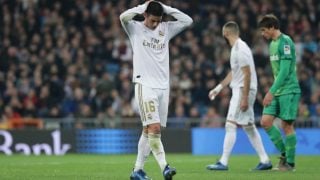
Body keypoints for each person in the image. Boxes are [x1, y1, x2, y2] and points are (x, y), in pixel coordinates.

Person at [119, 1, 193, 179]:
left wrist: (164, 8)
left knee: (148, 130)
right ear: (145, 15)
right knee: (153, 128)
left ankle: (137, 171)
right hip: (145, 85)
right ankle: (165, 167)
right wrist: (143, 6)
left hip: (163, 87)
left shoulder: (165, 29)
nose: (155, 24)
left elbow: (188, 20)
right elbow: (123, 16)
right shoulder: (134, 28)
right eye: (152, 20)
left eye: (158, 21)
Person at [206, 21, 272, 171]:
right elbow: (234, 72)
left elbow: (247, 74)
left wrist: (244, 98)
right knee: (249, 126)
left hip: (243, 90)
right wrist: (218, 88)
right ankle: (265, 160)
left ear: (226, 33)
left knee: (230, 124)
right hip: (243, 89)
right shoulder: (238, 48)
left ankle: (223, 162)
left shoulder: (240, 50)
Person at [258, 14, 301, 171]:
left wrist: (270, 91)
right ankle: (284, 155)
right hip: (277, 90)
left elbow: (284, 71)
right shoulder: (272, 45)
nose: (263, 34)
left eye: (264, 30)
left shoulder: (286, 42)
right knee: (265, 121)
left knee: (286, 125)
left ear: (272, 27)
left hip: (289, 89)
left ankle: (290, 164)